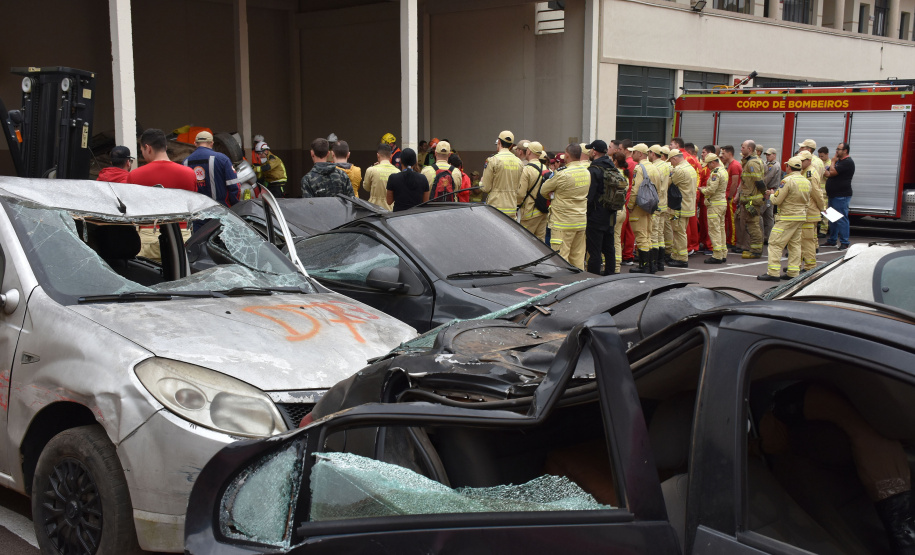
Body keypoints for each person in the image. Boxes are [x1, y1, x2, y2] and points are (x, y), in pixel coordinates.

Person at [758, 156, 810, 282]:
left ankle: (773, 272)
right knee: (795, 244)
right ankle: (793, 272)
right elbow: (807, 201)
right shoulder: (806, 181)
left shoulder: (787, 181)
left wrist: (771, 195)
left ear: (789, 167)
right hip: (800, 216)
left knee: (775, 243)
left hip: (787, 217)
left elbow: (777, 200)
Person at [540, 143, 590, 270]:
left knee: (561, 261)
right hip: (580, 222)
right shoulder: (586, 172)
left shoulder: (562, 174)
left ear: (567, 155)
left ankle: (563, 282)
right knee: (578, 259)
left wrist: (553, 195)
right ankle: (579, 281)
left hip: (562, 223)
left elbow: (543, 190)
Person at [627, 143, 661, 274]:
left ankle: (644, 266)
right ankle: (651, 265)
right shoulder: (653, 167)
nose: (632, 154)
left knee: (641, 236)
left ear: (640, 153)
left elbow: (635, 190)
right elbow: (658, 188)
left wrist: (630, 206)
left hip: (640, 206)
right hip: (650, 205)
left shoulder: (639, 168)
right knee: (648, 235)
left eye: (634, 152)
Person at [183, 130, 240, 206]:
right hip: (221, 209)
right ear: (212, 143)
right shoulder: (222, 159)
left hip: (196, 210)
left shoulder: (185, 162)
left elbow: (184, 190)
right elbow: (234, 186)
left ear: (195, 143)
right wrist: (234, 205)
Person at [584, 140, 616, 275]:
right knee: (609, 248)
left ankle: (594, 276)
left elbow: (590, 196)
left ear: (595, 152)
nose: (589, 152)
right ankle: (610, 273)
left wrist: (588, 213)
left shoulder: (594, 170)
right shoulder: (612, 167)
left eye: (590, 149)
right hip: (611, 213)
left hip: (596, 215)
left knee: (594, 250)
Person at [129, 128, 196, 192]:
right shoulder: (189, 174)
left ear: (148, 148)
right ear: (165, 147)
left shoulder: (134, 176)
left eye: (142, 150)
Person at [480, 130, 523, 216]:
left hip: (495, 209)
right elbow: (519, 187)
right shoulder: (519, 162)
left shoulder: (493, 160)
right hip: (512, 208)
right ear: (511, 145)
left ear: (499, 142)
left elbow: (485, 188)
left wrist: (481, 182)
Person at [667, 149, 697, 268]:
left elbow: (668, 183)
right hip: (687, 205)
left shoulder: (679, 170)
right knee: (680, 231)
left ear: (674, 158)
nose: (671, 164)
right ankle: (676, 255)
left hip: (679, 206)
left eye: (671, 161)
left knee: (679, 232)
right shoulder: (690, 167)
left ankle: (681, 258)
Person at [736, 140, 766, 259]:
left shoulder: (752, 163)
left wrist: (764, 194)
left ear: (749, 149)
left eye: (743, 147)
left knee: (753, 224)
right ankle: (754, 249)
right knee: (751, 223)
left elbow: (758, 181)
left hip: (752, 200)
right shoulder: (749, 162)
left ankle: (756, 250)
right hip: (749, 199)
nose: (741, 149)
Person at [823, 142, 855, 249]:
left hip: (841, 195)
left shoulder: (847, 162)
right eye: (837, 149)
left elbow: (832, 172)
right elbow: (828, 173)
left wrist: (832, 161)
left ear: (845, 151)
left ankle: (844, 242)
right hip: (833, 194)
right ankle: (832, 240)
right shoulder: (839, 162)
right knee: (832, 218)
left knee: (841, 218)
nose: (836, 151)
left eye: (839, 149)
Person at [517, 141, 550, 241]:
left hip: (529, 212)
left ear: (529, 152)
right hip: (543, 212)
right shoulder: (546, 168)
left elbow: (520, 194)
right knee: (540, 243)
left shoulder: (526, 170)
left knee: (525, 241)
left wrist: (516, 206)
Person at [799, 151, 826, 271]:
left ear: (809, 161)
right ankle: (797, 265)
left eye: (802, 160)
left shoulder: (809, 174)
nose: (800, 162)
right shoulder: (805, 171)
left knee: (807, 241)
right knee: (802, 239)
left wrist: (822, 208)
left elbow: (816, 193)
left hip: (809, 212)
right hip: (807, 211)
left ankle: (809, 267)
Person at [699, 153, 728, 264]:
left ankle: (717, 255)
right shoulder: (723, 170)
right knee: (721, 229)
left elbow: (711, 190)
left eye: (708, 164)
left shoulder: (715, 173)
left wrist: (702, 190)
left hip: (715, 204)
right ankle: (723, 253)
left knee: (714, 230)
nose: (707, 167)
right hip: (722, 203)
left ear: (712, 163)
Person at [648, 145, 670, 272]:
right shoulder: (666, 165)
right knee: (660, 234)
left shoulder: (655, 167)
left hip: (656, 204)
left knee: (654, 234)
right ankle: (660, 263)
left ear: (652, 153)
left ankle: (653, 264)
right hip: (664, 203)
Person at [363, 143, 400, 210]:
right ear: (391, 156)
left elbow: (366, 188)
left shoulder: (371, 170)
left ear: (378, 155)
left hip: (374, 209)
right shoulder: (397, 172)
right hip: (390, 209)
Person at [719, 145, 742, 251]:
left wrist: (730, 197)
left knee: (732, 219)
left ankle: (733, 241)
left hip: (731, 197)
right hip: (729, 195)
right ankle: (730, 239)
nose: (722, 155)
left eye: (723, 153)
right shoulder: (731, 165)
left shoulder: (734, 165)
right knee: (728, 219)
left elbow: (734, 183)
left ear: (729, 153)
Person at [611, 152, 630, 274]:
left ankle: (610, 265)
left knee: (610, 239)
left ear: (615, 161)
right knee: (617, 239)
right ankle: (617, 266)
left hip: (614, 210)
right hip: (622, 209)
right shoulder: (624, 175)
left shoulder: (613, 174)